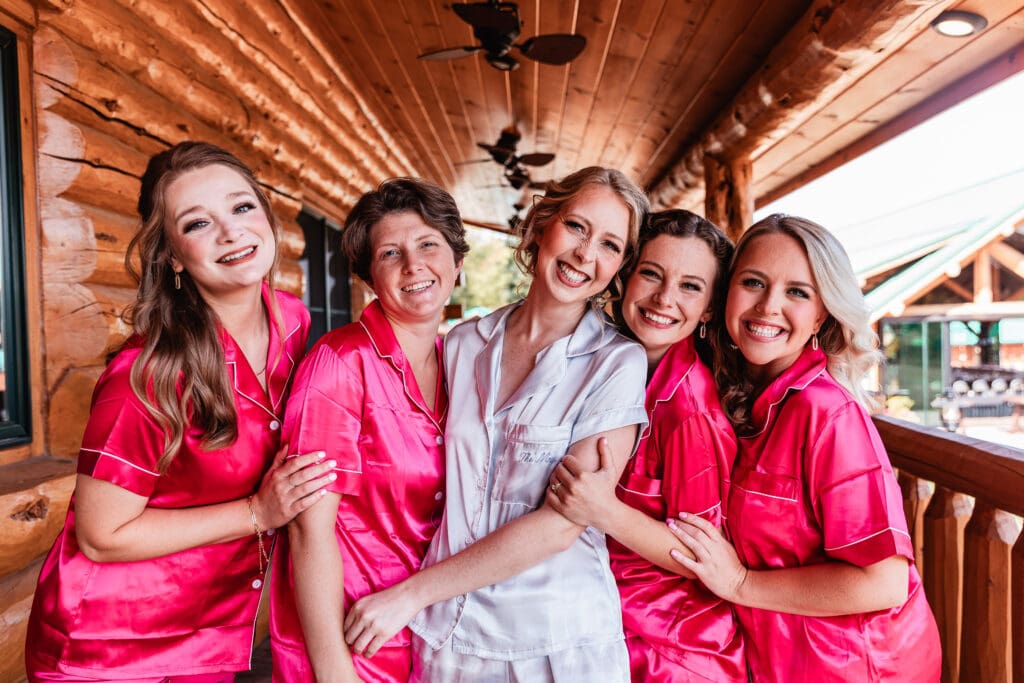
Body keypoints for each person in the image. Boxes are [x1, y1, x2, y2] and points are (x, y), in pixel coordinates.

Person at [25, 141, 335, 682]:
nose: (231, 232)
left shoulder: (291, 320)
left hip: (211, 630)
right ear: (171, 254)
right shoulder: (146, 375)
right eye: (197, 224)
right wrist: (257, 515)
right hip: (110, 648)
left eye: (242, 207)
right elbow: (102, 534)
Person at [342, 167, 650, 681]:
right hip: (447, 638)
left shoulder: (617, 364)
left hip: (556, 642)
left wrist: (409, 594)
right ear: (542, 226)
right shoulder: (463, 344)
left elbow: (562, 523)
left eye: (610, 245)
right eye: (576, 227)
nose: (585, 254)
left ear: (619, 264)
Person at [669, 214, 941, 682]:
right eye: (753, 282)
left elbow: (885, 583)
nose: (768, 306)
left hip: (856, 665)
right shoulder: (734, 396)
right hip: (781, 657)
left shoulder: (827, 414)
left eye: (798, 292)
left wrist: (739, 583)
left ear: (822, 313)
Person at [269, 178, 468, 682]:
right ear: (368, 277)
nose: (413, 265)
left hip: (430, 631)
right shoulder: (340, 362)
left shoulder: (459, 366)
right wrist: (336, 672)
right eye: (390, 253)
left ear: (457, 264)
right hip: (352, 640)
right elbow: (306, 528)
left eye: (428, 245)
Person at [546, 209, 746, 681]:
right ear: (627, 277)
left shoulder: (690, 410)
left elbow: (702, 557)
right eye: (651, 274)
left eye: (690, 287)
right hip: (603, 619)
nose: (664, 299)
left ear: (710, 308)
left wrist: (605, 511)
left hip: (669, 649)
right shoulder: (610, 365)